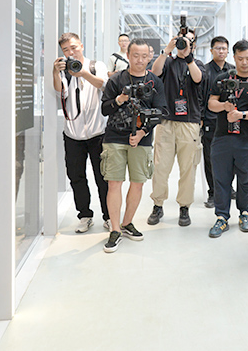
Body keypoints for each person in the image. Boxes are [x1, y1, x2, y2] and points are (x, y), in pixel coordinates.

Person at [99, 39, 166, 252]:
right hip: (114, 138)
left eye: (144, 56)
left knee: (138, 183)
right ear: (127, 55)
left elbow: (161, 113)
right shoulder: (116, 80)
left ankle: (127, 223)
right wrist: (120, 99)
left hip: (142, 140)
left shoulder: (155, 82)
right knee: (114, 183)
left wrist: (142, 133)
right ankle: (115, 229)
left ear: (149, 57)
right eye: (135, 55)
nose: (139, 60)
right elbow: (105, 109)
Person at [207, 40, 248, 238]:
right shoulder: (222, 79)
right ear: (233, 57)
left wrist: (241, 115)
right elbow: (211, 103)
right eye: (240, 58)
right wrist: (224, 106)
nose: (244, 63)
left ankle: (244, 213)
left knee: (245, 179)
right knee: (221, 179)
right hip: (222, 137)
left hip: (246, 140)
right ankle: (221, 217)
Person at [147, 27, 206, 227]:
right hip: (166, 121)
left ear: (194, 45)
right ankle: (158, 205)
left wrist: (188, 57)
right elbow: (155, 72)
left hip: (189, 123)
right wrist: (166, 51)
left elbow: (198, 78)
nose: (184, 44)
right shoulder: (167, 62)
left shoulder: (197, 64)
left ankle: (184, 207)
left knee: (188, 168)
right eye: (182, 40)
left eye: (189, 41)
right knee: (160, 167)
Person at [52, 32, 111, 233]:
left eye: (74, 47)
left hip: (98, 133)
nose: (71, 52)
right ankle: (85, 215)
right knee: (76, 177)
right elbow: (59, 92)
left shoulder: (96, 65)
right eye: (66, 50)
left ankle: (108, 216)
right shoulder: (64, 70)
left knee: (103, 177)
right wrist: (55, 73)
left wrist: (83, 73)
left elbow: (103, 85)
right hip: (73, 134)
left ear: (82, 46)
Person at [201, 36, 235, 208]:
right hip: (211, 120)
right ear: (211, 50)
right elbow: (201, 97)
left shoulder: (233, 70)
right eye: (218, 48)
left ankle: (228, 187)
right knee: (211, 158)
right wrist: (201, 118)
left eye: (224, 48)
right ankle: (213, 192)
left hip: (230, 120)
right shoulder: (205, 71)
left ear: (228, 51)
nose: (221, 51)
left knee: (231, 156)